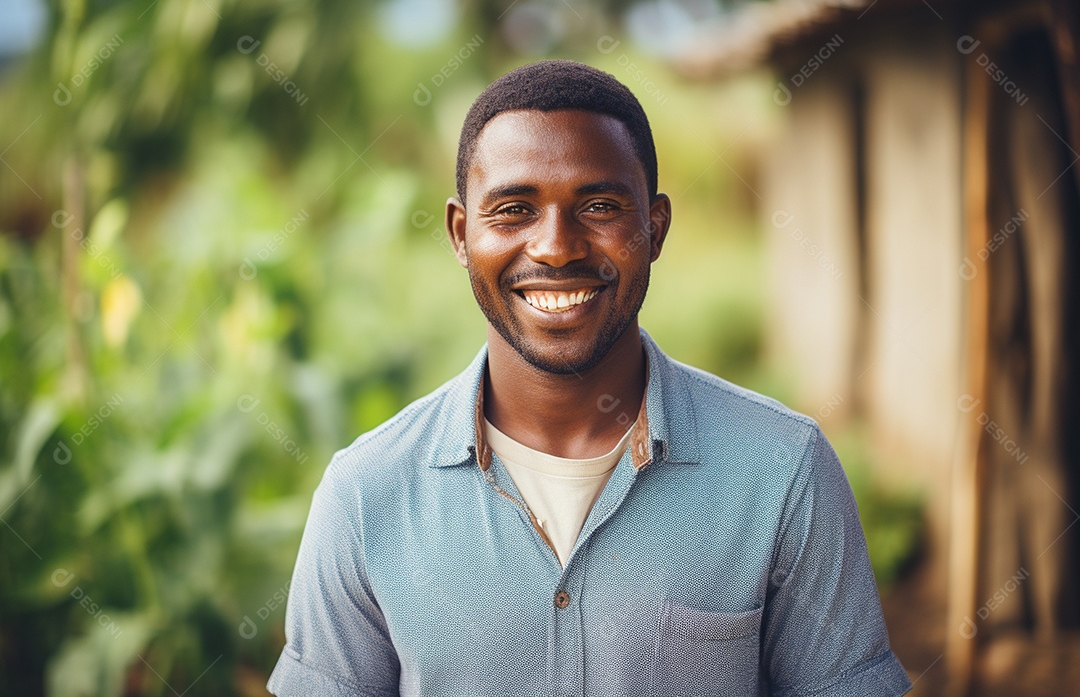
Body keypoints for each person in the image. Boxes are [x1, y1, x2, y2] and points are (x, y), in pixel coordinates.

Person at [267, 59, 912, 697]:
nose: (556, 247)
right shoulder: (364, 498)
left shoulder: (782, 471)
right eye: (514, 210)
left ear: (653, 228)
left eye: (598, 206)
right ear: (462, 235)